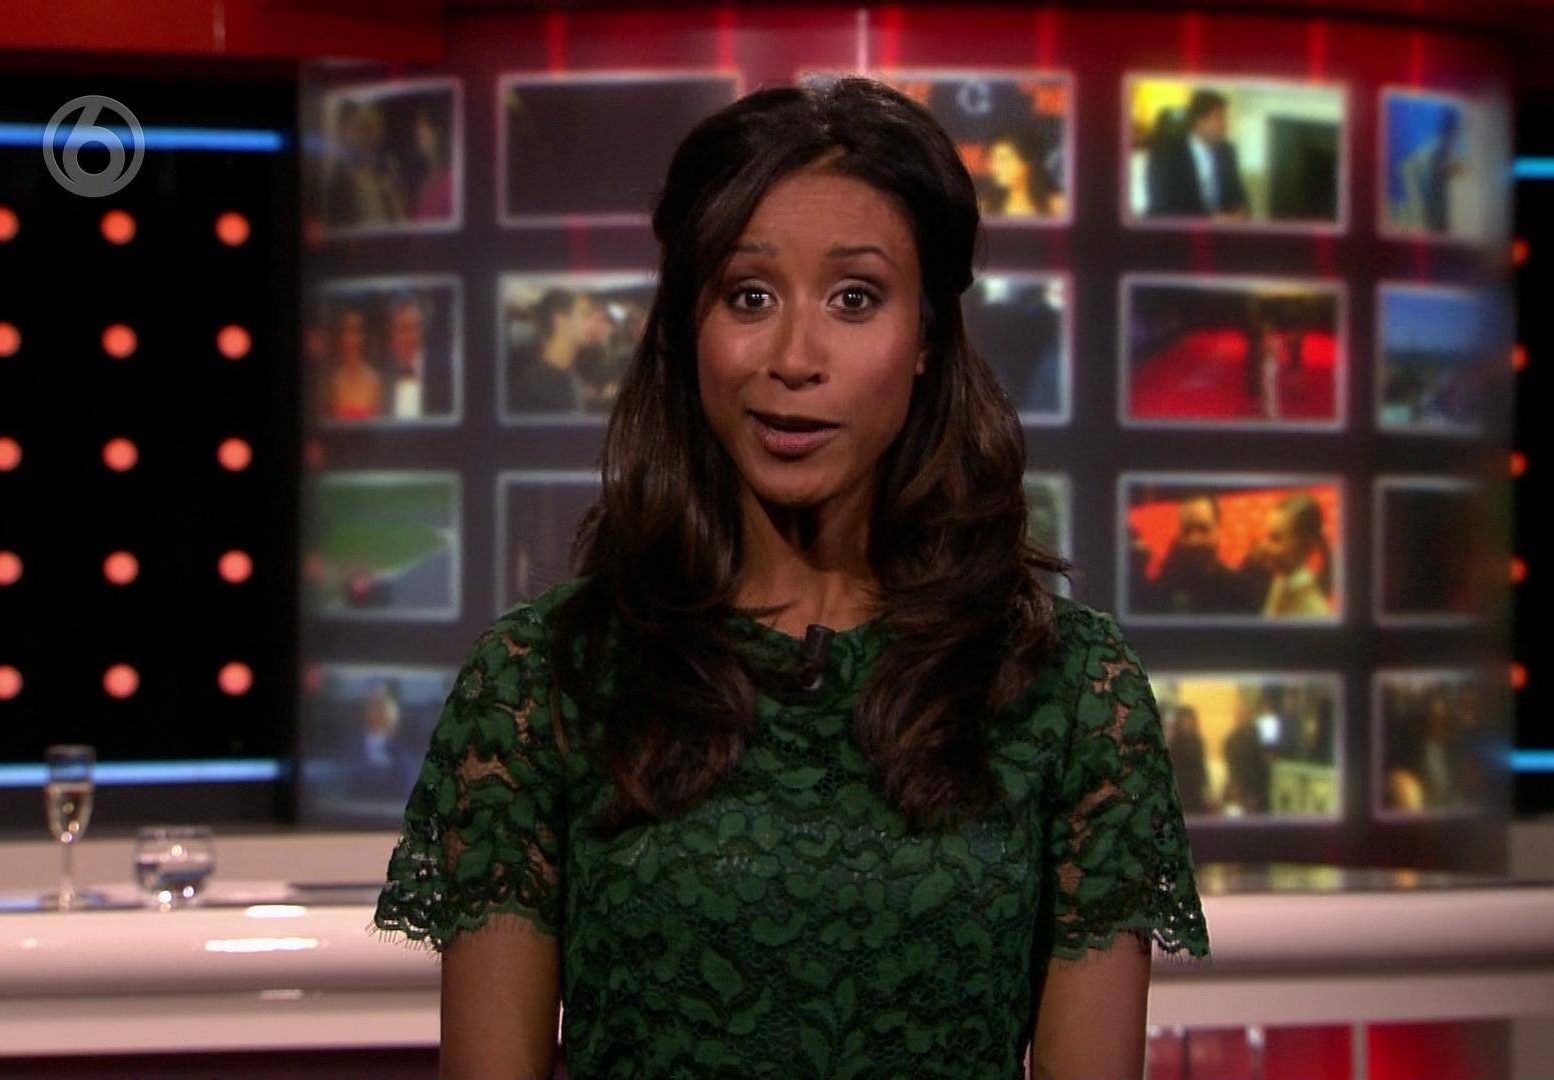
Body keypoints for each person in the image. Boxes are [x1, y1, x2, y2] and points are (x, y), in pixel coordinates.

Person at [373, 77, 1210, 1080]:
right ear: (688, 328)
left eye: (855, 298)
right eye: (750, 297)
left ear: (927, 337)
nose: (794, 357)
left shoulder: (1066, 691)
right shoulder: (542, 681)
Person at [1144, 495, 1268, 615]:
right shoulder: (1163, 589)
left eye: (1203, 529)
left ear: (1218, 530)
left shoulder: (1240, 590)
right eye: (1187, 530)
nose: (1194, 541)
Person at [1145, 89, 1250, 221]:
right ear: (1199, 121)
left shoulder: (1227, 151)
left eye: (1225, 117)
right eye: (1219, 117)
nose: (1225, 124)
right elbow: (1163, 207)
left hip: (1223, 228)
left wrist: (1241, 211)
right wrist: (1210, 219)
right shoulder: (1165, 155)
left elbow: (1237, 193)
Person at [1254, 492, 1334, 618]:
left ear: (1306, 546)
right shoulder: (1281, 580)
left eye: (1276, 539)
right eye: (1267, 537)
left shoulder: (1315, 612)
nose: (1264, 546)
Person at [979, 129, 1066, 219]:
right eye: (993, 160)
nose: (995, 167)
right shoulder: (984, 208)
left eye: (1004, 159)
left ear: (1028, 163)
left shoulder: (1058, 207)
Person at [326, 307, 382, 420]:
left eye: (357, 331)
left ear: (364, 336)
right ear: (341, 337)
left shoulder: (374, 381)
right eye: (347, 331)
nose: (352, 338)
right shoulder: (333, 381)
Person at [386, 296, 427, 420]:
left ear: (421, 331)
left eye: (413, 328)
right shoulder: (384, 380)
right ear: (393, 336)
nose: (408, 337)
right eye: (402, 330)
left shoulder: (440, 376)